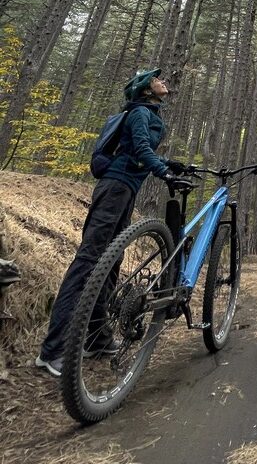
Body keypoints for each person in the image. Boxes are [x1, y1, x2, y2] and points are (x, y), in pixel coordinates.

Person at [35, 68, 183, 377]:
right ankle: (52, 351)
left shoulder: (147, 113)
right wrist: (162, 171)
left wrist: (170, 165)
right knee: (89, 261)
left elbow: (136, 151)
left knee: (110, 262)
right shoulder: (141, 112)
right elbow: (141, 150)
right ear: (146, 89)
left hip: (125, 189)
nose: (163, 81)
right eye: (157, 79)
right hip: (115, 187)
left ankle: (97, 339)